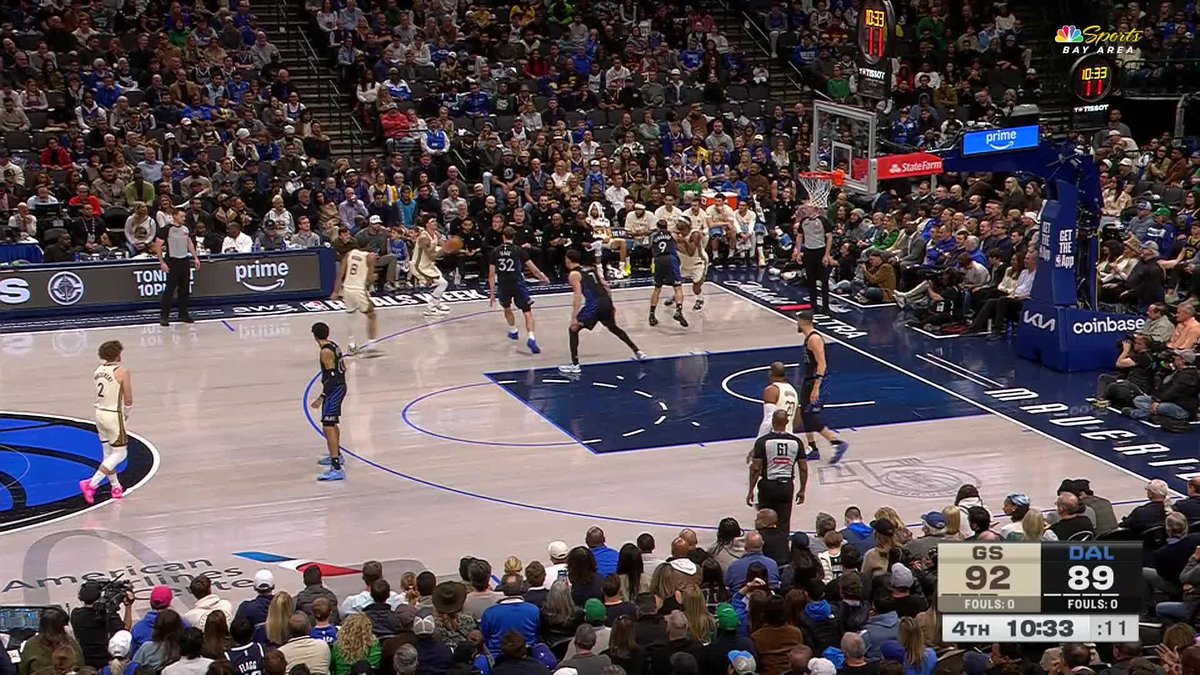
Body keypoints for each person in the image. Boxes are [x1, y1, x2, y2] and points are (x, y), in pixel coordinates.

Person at [559, 250, 646, 374]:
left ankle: (575, 365)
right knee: (614, 328)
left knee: (573, 329)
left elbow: (578, 296)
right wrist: (611, 304)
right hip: (606, 302)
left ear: (568, 259)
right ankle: (638, 351)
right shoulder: (591, 269)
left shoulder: (574, 275)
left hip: (594, 305)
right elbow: (605, 285)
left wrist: (574, 317)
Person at [82, 341, 135, 504]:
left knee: (108, 454)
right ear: (118, 354)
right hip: (113, 415)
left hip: (99, 413)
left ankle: (115, 486)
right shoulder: (122, 372)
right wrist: (126, 414)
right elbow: (128, 399)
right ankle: (92, 484)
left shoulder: (97, 371)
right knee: (120, 454)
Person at [795, 311, 849, 463]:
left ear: (802, 321)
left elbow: (822, 364)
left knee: (810, 416)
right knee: (804, 414)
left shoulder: (815, 339)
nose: (797, 324)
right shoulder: (808, 338)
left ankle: (836, 442)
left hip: (817, 381)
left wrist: (816, 387)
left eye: (798, 321)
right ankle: (813, 448)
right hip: (808, 380)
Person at [488, 226, 551, 354]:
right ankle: (531, 337)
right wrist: (543, 278)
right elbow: (533, 269)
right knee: (527, 311)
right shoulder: (518, 250)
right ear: (514, 237)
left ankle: (513, 330)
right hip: (517, 284)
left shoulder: (495, 251)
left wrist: (492, 293)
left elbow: (491, 274)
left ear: (503, 236)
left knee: (507, 308)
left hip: (503, 284)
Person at [747, 410, 807, 534]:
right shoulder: (797, 442)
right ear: (787, 422)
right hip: (786, 486)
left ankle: (765, 542)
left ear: (773, 422)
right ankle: (782, 543)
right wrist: (802, 490)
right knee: (784, 522)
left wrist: (751, 490)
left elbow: (755, 468)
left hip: (768, 485)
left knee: (765, 520)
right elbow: (803, 468)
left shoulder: (763, 442)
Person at [309, 322, 347, 481]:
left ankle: (336, 467)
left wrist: (322, 396)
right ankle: (337, 454)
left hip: (334, 389)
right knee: (331, 423)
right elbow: (343, 367)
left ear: (314, 335)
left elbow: (332, 378)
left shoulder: (325, 352)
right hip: (338, 387)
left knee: (328, 425)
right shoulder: (333, 345)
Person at [155, 210, 201, 326]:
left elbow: (189, 243)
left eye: (184, 216)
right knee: (170, 290)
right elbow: (158, 245)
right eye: (181, 216)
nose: (184, 218)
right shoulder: (166, 229)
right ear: (174, 216)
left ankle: (183, 314)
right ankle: (164, 316)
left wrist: (195, 257)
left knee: (184, 289)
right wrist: (162, 262)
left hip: (184, 260)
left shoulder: (185, 229)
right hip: (172, 261)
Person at [332, 247, 379, 354]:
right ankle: (371, 344)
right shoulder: (370, 257)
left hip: (347, 289)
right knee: (371, 315)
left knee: (351, 316)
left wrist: (335, 291)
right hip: (359, 289)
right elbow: (369, 279)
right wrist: (374, 277)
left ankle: (351, 345)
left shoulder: (350, 253)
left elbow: (341, 274)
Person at [648, 219, 688, 328]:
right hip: (670, 259)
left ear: (657, 227)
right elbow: (681, 240)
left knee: (657, 288)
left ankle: (651, 315)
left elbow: (651, 248)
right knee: (677, 287)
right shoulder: (672, 234)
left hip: (658, 260)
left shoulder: (653, 236)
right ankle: (678, 311)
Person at [793, 205, 833, 311]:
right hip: (809, 251)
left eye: (808, 208)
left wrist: (826, 255)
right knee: (811, 280)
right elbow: (799, 236)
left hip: (821, 251)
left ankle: (825, 306)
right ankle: (813, 305)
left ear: (815, 209)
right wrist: (798, 253)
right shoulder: (803, 221)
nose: (806, 210)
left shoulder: (823, 221)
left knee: (824, 280)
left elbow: (829, 238)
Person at [411, 216, 451, 316]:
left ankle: (436, 303)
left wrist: (449, 247)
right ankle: (430, 307)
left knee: (443, 283)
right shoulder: (424, 238)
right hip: (419, 266)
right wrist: (444, 249)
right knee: (442, 283)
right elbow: (432, 255)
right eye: (432, 221)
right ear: (427, 224)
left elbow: (443, 246)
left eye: (435, 221)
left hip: (428, 264)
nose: (435, 223)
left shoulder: (436, 234)